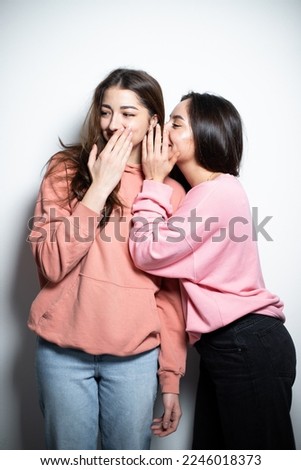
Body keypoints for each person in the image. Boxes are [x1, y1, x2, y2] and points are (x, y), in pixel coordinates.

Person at [27, 68, 187, 450]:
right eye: (105, 111)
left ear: (153, 120)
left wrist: (170, 379)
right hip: (62, 353)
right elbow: (50, 263)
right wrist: (99, 187)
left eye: (128, 114)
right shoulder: (65, 170)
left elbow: (170, 294)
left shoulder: (170, 191)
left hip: (135, 359)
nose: (113, 124)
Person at [129, 92, 297, 450]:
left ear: (205, 132)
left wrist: (154, 182)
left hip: (246, 341)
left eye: (176, 122)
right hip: (229, 345)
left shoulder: (215, 193)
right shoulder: (203, 194)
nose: (162, 130)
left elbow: (147, 251)